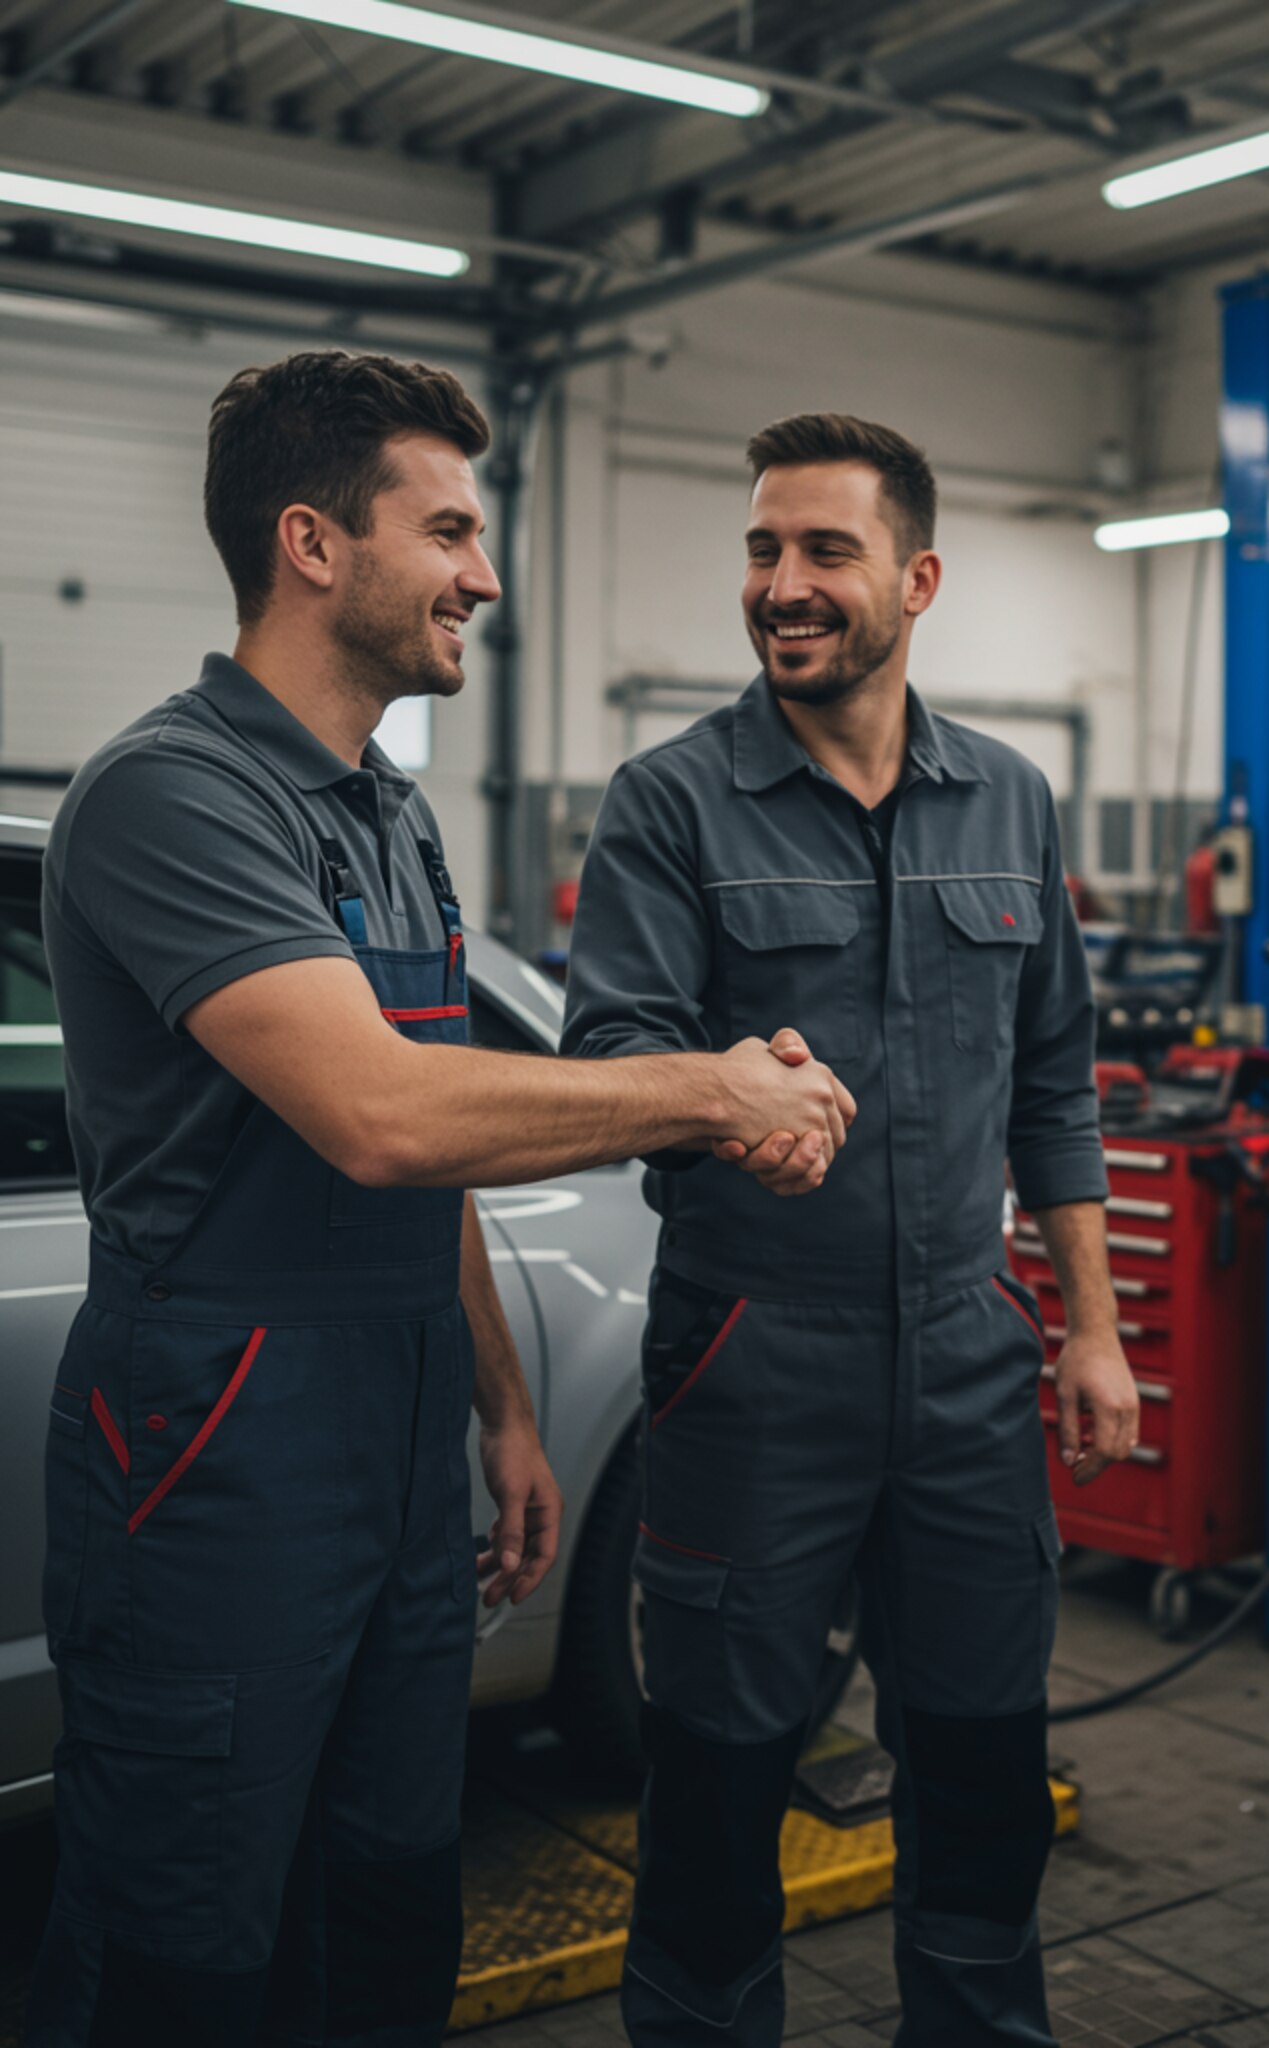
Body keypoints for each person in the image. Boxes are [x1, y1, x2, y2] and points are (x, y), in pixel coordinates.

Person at [29, 353, 852, 2048]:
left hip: (400, 1441)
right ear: (314, 543)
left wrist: (502, 1407)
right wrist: (711, 1088)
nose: (484, 576)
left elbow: (446, 1147)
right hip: (217, 1449)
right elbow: (384, 1113)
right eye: (453, 530)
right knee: (185, 1932)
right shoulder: (172, 796)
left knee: (391, 1897)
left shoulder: (391, 816)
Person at [564, 412, 1141, 2046]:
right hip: (754, 1359)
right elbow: (607, 1056)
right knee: (719, 1796)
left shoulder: (1013, 804)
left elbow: (1057, 1086)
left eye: (824, 551)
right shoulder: (671, 802)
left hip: (969, 1355)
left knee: (977, 1778)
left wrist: (1090, 1326)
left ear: (917, 578)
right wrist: (723, 1093)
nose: (784, 585)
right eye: (763, 550)